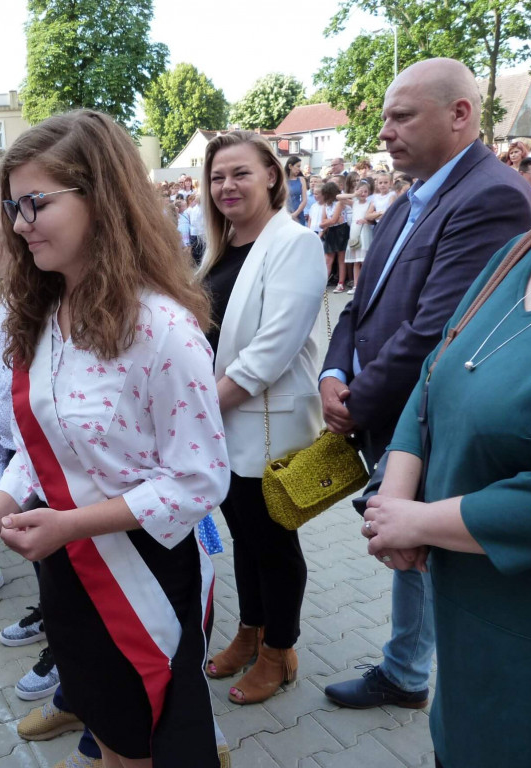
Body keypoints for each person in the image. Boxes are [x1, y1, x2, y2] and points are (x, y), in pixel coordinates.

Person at [0, 109, 230, 767]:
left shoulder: (163, 331)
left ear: (101, 198)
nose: (20, 223)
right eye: (12, 206)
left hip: (143, 572)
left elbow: (199, 480)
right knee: (110, 733)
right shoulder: (45, 314)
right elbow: (38, 448)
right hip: (68, 567)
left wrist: (70, 524)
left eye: (36, 203)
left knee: (150, 742)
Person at [362, 45, 531, 766]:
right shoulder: (523, 252)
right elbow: (436, 372)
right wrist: (394, 501)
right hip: (465, 615)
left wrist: (420, 520)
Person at [318, 58, 531, 711]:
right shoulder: (414, 193)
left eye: (401, 116)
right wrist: (334, 372)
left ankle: (445, 692)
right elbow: (358, 304)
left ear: (460, 115)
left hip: (439, 426)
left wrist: (355, 403)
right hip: (395, 417)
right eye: (385, 116)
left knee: (432, 554)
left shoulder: (492, 196)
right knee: (406, 542)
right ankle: (407, 671)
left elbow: (433, 332)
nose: (385, 132)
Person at [196, 131, 325, 706]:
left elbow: (272, 349)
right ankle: (250, 631)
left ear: (272, 175)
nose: (227, 186)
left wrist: (199, 408)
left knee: (273, 543)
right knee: (244, 538)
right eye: (218, 176)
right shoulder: (218, 249)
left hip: (263, 422)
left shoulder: (293, 243)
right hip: (224, 424)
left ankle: (280, 649)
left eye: (240, 173)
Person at [345, 177, 375, 294]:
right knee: (356, 261)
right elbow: (338, 197)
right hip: (354, 233)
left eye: (365, 191)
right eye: (360, 191)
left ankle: (366, 285)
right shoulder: (354, 203)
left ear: (369, 193)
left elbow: (373, 221)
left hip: (365, 233)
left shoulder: (370, 204)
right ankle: (356, 286)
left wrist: (366, 221)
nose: (363, 193)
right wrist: (354, 194)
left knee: (364, 261)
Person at [319, 181, 348, 293]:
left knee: (341, 258)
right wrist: (327, 222)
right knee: (328, 259)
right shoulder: (326, 205)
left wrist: (327, 222)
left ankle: (341, 283)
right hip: (331, 231)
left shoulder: (339, 203)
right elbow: (323, 221)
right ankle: (323, 283)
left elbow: (333, 220)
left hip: (342, 230)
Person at [285, 155, 308, 226]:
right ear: (290, 166)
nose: (299, 169)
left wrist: (295, 214)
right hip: (285, 214)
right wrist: (288, 215)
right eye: (298, 166)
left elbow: (304, 200)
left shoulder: (301, 179)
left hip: (298, 213)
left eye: (300, 166)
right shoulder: (282, 180)